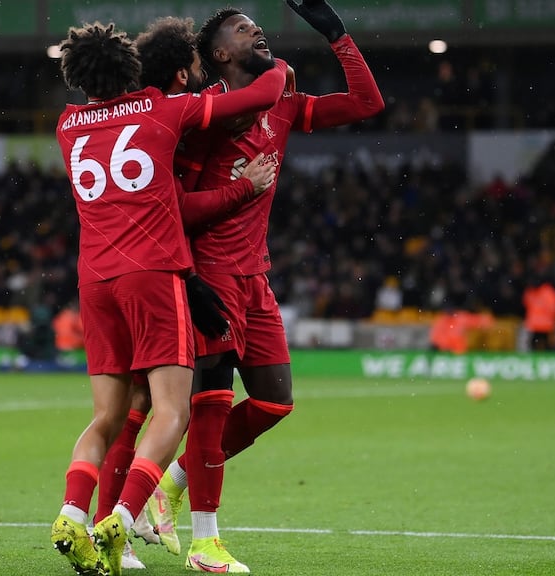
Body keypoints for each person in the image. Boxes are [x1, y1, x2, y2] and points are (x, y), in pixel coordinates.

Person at [147, 1, 384, 572]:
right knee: (210, 406)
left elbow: (366, 103)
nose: (256, 31)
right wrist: (238, 191)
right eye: (241, 29)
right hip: (210, 278)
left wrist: (335, 34)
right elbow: (173, 211)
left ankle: (170, 483)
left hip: (256, 277)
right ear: (220, 54)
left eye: (256, 25)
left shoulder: (279, 107)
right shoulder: (201, 122)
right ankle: (206, 542)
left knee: (276, 402)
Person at [48, 21, 286, 576]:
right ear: (133, 70)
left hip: (94, 281)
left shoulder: (66, 125)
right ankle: (123, 518)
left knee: (108, 416)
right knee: (173, 411)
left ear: (78, 79)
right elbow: (262, 96)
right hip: (151, 275)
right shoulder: (159, 109)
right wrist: (275, 65)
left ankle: (70, 513)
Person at [523, 275, 555, 351]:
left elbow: (525, 304)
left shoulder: (532, 292)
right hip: (542, 326)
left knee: (536, 347)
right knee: (546, 348)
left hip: (540, 326)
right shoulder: (548, 292)